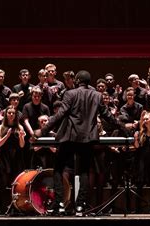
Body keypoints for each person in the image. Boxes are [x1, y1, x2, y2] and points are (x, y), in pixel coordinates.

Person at [34, 70, 124, 216]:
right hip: (87, 139)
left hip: (70, 137)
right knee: (84, 171)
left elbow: (60, 114)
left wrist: (43, 131)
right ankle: (80, 206)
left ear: (77, 80)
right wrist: (124, 129)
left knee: (58, 169)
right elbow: (108, 116)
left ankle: (59, 203)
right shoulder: (97, 95)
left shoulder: (70, 93)